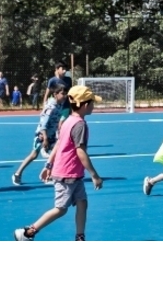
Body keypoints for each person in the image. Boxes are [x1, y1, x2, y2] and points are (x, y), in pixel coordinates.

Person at [14, 85, 104, 241]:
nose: (93, 105)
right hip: (67, 174)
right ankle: (28, 232)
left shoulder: (69, 120)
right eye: (91, 102)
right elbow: (80, 152)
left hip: (73, 174)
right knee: (61, 209)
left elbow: (59, 143)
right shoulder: (79, 125)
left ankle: (80, 237)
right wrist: (95, 175)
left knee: (82, 202)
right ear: (84, 105)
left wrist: (48, 164)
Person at [12, 83, 66, 186]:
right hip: (42, 135)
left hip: (51, 135)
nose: (64, 96)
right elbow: (43, 124)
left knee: (57, 154)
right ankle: (17, 174)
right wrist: (45, 138)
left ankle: (48, 175)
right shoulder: (51, 107)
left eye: (65, 94)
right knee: (33, 155)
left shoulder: (60, 105)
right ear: (55, 94)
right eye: (62, 94)